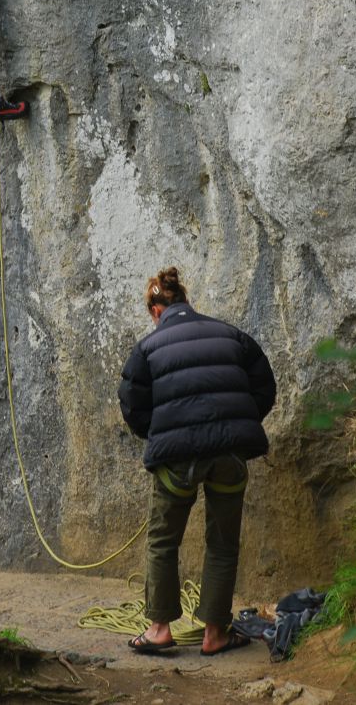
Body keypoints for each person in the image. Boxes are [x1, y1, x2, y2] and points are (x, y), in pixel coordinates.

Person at [118, 267, 276, 657]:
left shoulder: (148, 348)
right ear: (186, 301)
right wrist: (237, 425)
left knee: (162, 540)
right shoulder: (231, 335)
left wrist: (161, 433)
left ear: (156, 311)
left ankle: (158, 630)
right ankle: (215, 634)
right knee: (222, 546)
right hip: (229, 456)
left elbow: (132, 404)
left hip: (177, 461)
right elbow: (264, 387)